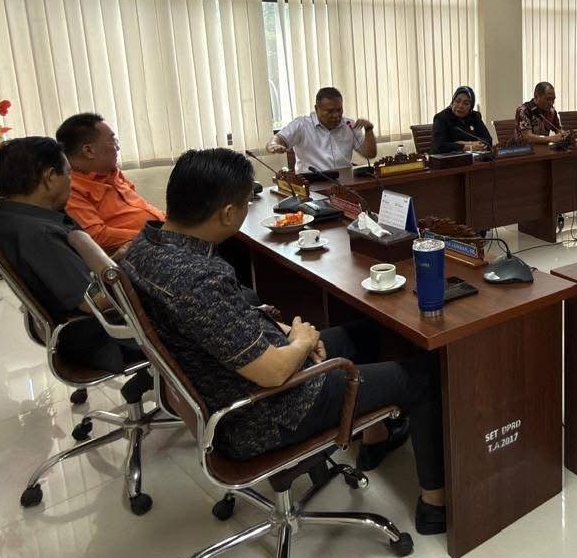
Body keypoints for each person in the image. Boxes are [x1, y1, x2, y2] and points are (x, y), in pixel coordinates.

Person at [120, 148, 446, 534]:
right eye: (245, 204)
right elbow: (273, 373)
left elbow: (222, 324)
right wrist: (301, 344)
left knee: (370, 332)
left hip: (234, 380)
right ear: (227, 213)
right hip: (269, 411)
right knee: (425, 373)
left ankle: (375, 439)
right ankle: (434, 507)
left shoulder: (143, 248)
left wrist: (286, 332)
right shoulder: (198, 279)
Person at [0, 136, 145, 372]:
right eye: (69, 174)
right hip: (106, 338)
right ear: (50, 177)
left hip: (86, 329)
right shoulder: (38, 234)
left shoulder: (9, 218)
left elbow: (73, 275)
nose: (71, 182)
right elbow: (93, 302)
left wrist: (115, 260)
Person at [57, 113, 165, 252]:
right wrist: (158, 235)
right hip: (142, 249)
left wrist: (175, 225)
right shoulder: (70, 188)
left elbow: (140, 210)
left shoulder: (111, 172)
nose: (117, 148)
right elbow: (97, 236)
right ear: (89, 150)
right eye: (112, 141)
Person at [267, 87, 379, 173]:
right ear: (317, 109)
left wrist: (368, 130)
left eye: (339, 110)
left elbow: (370, 154)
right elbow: (279, 138)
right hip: (312, 184)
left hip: (345, 180)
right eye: (330, 111)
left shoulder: (349, 125)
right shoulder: (302, 125)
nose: (336, 115)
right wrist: (273, 145)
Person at [431, 85, 493, 153]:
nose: (460, 106)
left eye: (466, 103)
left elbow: (488, 140)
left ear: (471, 107)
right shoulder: (441, 118)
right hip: (446, 158)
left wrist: (466, 143)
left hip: (472, 157)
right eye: (457, 101)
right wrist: (467, 147)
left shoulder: (475, 116)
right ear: (452, 102)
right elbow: (439, 146)